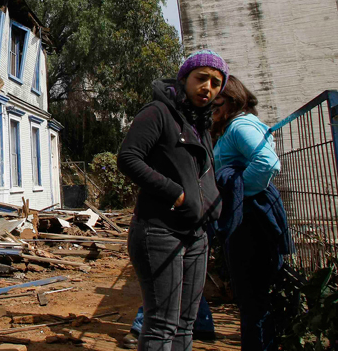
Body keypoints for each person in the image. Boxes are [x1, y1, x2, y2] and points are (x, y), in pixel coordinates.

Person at [117, 50, 227, 350]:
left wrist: (210, 202)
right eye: (201, 78)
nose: (207, 87)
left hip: (196, 234)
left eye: (216, 83)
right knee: (161, 325)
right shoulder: (158, 113)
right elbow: (128, 158)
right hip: (159, 231)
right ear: (184, 79)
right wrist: (176, 194)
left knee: (185, 325)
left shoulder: (200, 124)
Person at [211, 76, 292, 351]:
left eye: (216, 103)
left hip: (251, 221)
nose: (212, 110)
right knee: (251, 298)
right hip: (245, 219)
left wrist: (239, 194)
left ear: (232, 99)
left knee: (252, 299)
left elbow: (267, 163)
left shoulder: (239, 126)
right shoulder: (230, 128)